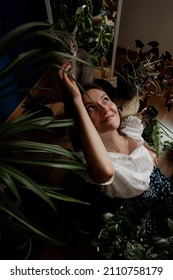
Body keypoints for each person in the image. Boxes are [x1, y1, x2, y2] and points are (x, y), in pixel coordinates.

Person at [58, 64, 173, 237]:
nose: (105, 109)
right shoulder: (96, 162)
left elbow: (146, 148)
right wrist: (75, 99)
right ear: (81, 121)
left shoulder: (131, 129)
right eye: (90, 108)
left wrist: (152, 155)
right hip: (142, 215)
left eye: (105, 99)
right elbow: (105, 171)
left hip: (162, 186)